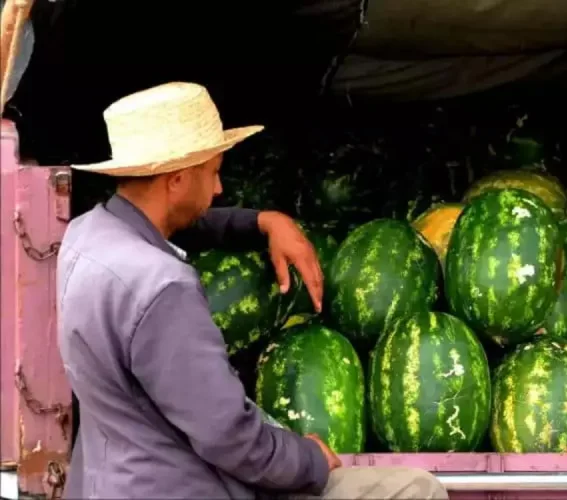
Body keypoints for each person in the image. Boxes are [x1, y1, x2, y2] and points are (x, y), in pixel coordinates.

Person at [56, 81, 449, 500]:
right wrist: (309, 459)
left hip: (113, 480)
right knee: (415, 489)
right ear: (176, 180)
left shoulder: (87, 236)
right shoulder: (164, 289)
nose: (220, 188)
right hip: (186, 487)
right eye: (213, 173)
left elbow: (177, 223)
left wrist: (260, 222)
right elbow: (229, 437)